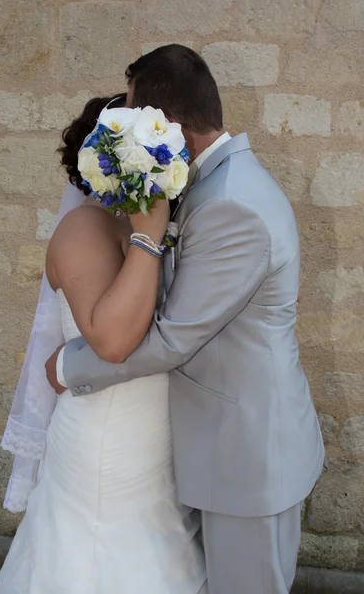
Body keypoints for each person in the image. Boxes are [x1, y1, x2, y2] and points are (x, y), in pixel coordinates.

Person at [46, 45, 325, 594]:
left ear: (164, 125)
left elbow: (174, 338)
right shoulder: (213, 186)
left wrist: (68, 366)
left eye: (130, 118)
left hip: (248, 462)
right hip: (219, 449)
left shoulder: (231, 204)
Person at [0, 93, 207, 594]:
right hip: (106, 436)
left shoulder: (133, 222)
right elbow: (112, 342)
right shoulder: (84, 228)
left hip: (151, 431)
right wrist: (150, 237)